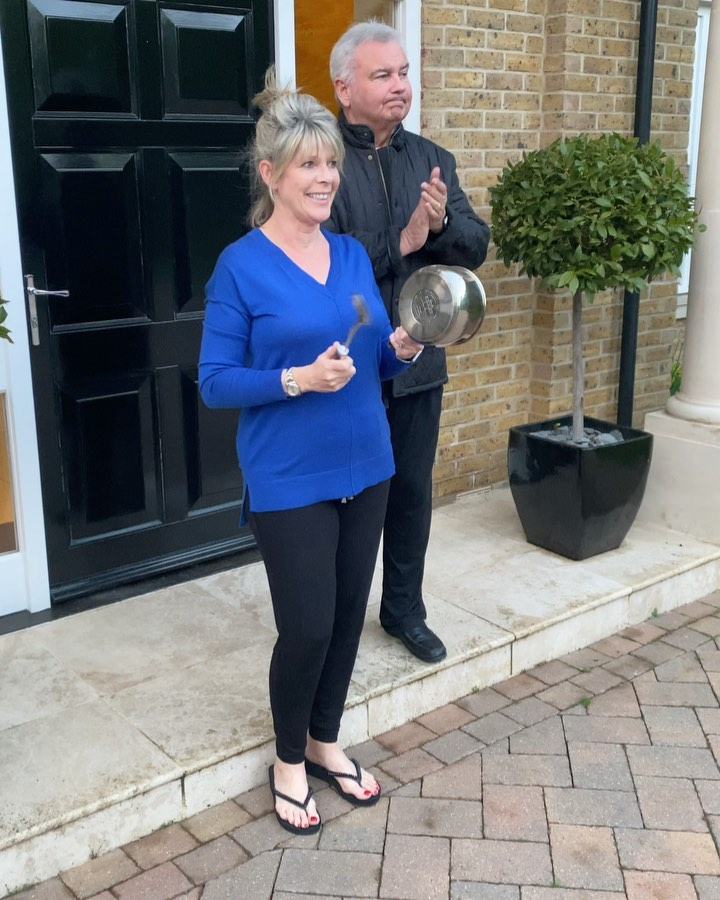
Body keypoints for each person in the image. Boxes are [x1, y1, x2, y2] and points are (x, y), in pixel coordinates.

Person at [198, 72, 423, 837]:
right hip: (290, 475)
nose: (326, 176)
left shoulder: (354, 257)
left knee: (347, 619)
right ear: (271, 175)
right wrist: (297, 379)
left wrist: (399, 343)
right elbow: (216, 382)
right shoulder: (241, 266)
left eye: (329, 162)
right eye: (308, 165)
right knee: (308, 625)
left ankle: (327, 740)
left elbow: (369, 346)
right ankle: (288, 759)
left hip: (369, 463)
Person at [327, 22, 491, 664]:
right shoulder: (323, 164)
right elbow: (327, 265)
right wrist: (404, 237)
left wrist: (442, 221)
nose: (400, 86)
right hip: (350, 361)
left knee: (411, 494)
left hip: (418, 363)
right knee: (346, 500)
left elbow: (475, 246)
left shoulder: (433, 159)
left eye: (403, 73)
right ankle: (335, 624)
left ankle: (403, 611)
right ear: (345, 87)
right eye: (382, 75)